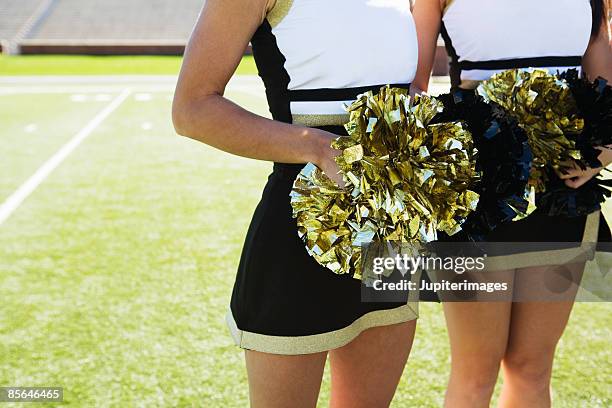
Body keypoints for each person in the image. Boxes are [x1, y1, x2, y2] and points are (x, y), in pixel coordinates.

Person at [172, 1, 422, 407]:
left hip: (389, 226)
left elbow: (407, 91)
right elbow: (192, 109)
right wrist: (319, 147)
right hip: (301, 229)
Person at [412, 0, 612, 407]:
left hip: (560, 194)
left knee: (532, 366)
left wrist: (601, 153)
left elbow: (605, 86)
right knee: (476, 370)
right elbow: (412, 88)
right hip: (479, 196)